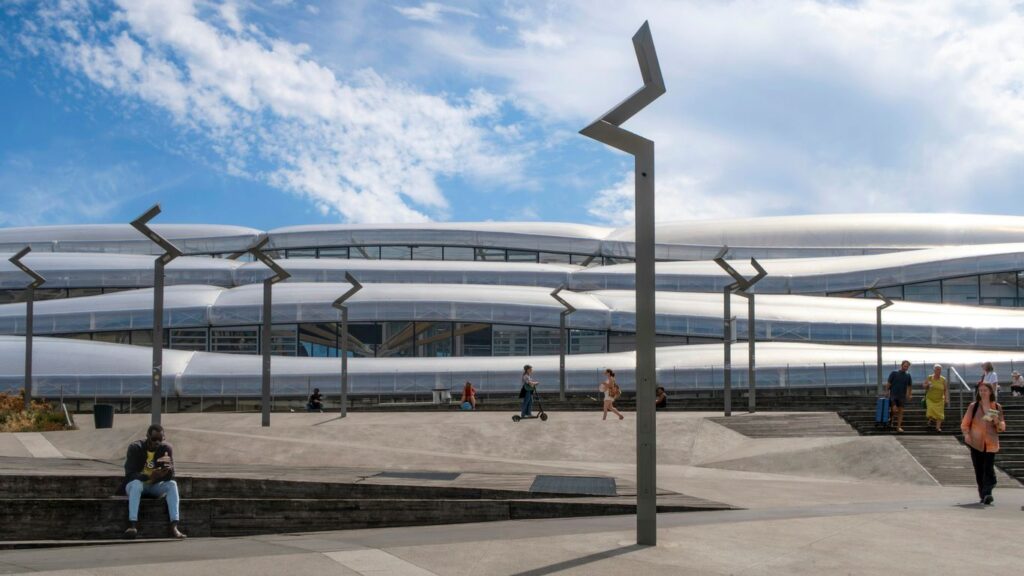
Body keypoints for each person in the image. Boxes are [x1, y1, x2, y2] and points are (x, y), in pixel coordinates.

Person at [118, 424, 186, 539]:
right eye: (154, 439)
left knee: (172, 485)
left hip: (154, 486)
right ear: (147, 436)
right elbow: (130, 474)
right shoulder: (135, 447)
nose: (157, 442)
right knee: (136, 484)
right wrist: (149, 476)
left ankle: (174, 526)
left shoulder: (165, 449)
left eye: (160, 439)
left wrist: (166, 472)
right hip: (136, 486)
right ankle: (132, 525)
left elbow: (171, 476)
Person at [960, 382, 1006, 505]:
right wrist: (966, 434)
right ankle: (983, 494)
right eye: (980, 390)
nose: (983, 392)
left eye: (985, 390)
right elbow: (965, 423)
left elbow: (1002, 427)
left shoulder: (996, 406)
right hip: (975, 442)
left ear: (990, 391)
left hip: (991, 442)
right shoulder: (974, 406)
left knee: (988, 467)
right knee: (979, 469)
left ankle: (987, 492)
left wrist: (997, 421)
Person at [885, 360, 913, 433]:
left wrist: (909, 394)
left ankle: (898, 427)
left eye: (907, 366)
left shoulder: (908, 375)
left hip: (902, 396)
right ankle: (891, 419)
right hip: (893, 395)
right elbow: (889, 383)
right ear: (901, 365)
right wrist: (887, 391)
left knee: (901, 411)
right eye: (905, 366)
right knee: (894, 409)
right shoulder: (894, 373)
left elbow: (909, 386)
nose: (906, 367)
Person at [924, 364, 949, 433]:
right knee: (930, 411)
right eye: (937, 369)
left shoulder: (943, 379)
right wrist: (927, 385)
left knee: (940, 414)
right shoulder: (930, 377)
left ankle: (938, 428)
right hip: (930, 398)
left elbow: (945, 390)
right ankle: (930, 420)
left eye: (940, 369)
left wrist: (946, 398)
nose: (939, 371)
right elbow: (924, 385)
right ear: (934, 370)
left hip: (940, 399)